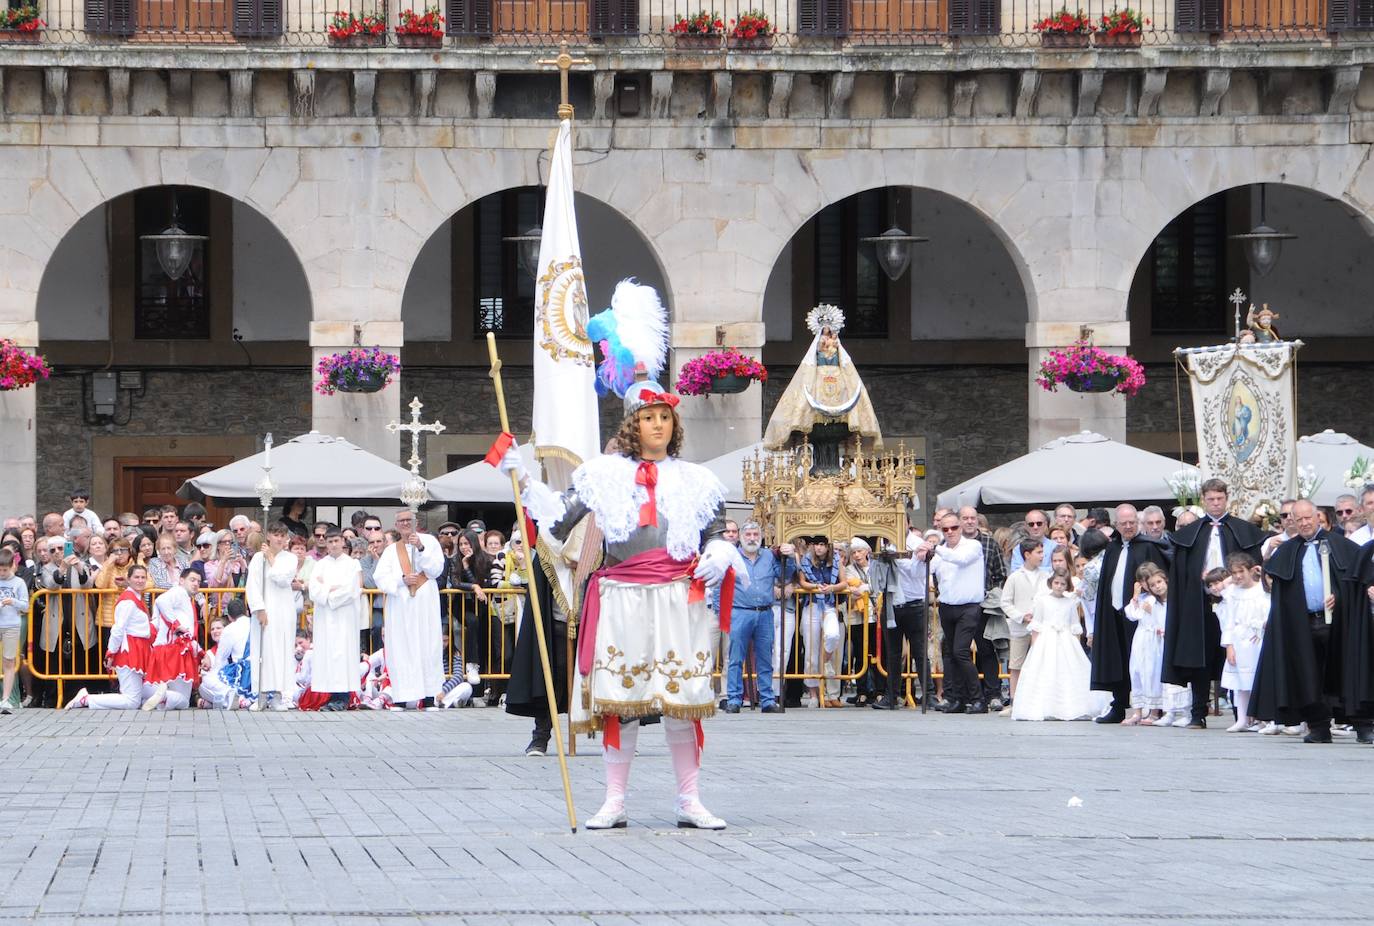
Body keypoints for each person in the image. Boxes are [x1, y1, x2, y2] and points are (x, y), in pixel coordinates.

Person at [503, 372, 741, 831]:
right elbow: (557, 521)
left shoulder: (697, 479)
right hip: (622, 595)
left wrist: (719, 553)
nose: (658, 425)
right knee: (621, 700)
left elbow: (716, 533)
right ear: (633, 423)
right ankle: (614, 800)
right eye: (648, 417)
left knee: (683, 698)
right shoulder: (601, 474)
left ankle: (689, 799)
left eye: (665, 417)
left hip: (678, 595)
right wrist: (524, 480)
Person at [1251, 499, 1374, 744]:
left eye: (1309, 518)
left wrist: (1340, 597)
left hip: (1339, 623)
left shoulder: (1342, 545)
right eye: (1299, 519)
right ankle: (1318, 727)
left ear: (1318, 517)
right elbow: (1271, 584)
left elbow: (1357, 581)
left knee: (1348, 669)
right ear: (1293, 522)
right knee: (1308, 675)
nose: (1305, 523)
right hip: (1304, 623)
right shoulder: (1287, 550)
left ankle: (1362, 725)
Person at [1163, 478, 1266, 729]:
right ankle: (1198, 713)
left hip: (1237, 600)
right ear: (1203, 500)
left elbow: (1253, 565)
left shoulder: (1241, 529)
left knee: (1240, 654)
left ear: (1226, 498)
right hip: (1200, 602)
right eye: (1211, 499)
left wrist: (1231, 581)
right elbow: (1183, 570)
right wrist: (1199, 576)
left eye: (1220, 498)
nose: (1216, 503)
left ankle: (1246, 714)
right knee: (1201, 655)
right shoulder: (1193, 533)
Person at [1090, 504, 1169, 724]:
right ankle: (1118, 705)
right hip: (1114, 611)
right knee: (1117, 659)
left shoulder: (1148, 546)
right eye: (1123, 523)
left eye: (1132, 522)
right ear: (1116, 524)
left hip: (1141, 615)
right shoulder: (1113, 548)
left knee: (1144, 662)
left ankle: (1153, 707)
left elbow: (1157, 579)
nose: (1128, 527)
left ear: (1138, 522)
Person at [373, 510, 445, 710]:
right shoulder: (390, 550)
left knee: (428, 645)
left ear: (416, 522)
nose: (405, 524)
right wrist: (401, 580)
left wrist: (420, 548)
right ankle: (402, 697)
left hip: (425, 603)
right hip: (401, 605)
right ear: (396, 525)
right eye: (401, 521)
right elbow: (381, 578)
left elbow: (436, 569)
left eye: (408, 520)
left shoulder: (429, 541)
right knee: (402, 648)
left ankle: (430, 697)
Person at [64, 564, 153, 711]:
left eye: (143, 577)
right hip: (130, 650)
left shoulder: (136, 598)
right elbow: (118, 629)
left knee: (137, 696)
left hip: (137, 648)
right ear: (128, 579)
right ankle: (87, 698)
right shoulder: (128, 601)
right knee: (131, 701)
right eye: (136, 577)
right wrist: (111, 652)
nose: (140, 580)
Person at [925, 511, 986, 714]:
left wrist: (937, 550)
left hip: (968, 606)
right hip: (947, 606)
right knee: (950, 654)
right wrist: (920, 554)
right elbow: (926, 568)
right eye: (945, 529)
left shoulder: (973, 546)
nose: (950, 532)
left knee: (961, 652)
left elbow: (961, 560)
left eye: (954, 528)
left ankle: (978, 698)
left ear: (960, 527)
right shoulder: (941, 551)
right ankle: (957, 698)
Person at [1012, 569, 1093, 721]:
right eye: (1056, 583)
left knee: (1067, 671)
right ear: (1051, 583)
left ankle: (1071, 708)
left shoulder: (1070, 602)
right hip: (1046, 640)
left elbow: (1075, 625)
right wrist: (1035, 646)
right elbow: (1037, 624)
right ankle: (1046, 706)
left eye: (1063, 584)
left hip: (1066, 640)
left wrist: (1075, 646)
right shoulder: (1042, 601)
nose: (1059, 586)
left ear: (1067, 585)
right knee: (1046, 671)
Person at [721, 521, 780, 714]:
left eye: (756, 534)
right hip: (740, 611)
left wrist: (787, 556)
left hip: (764, 612)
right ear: (741, 536)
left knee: (765, 657)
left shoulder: (769, 556)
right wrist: (719, 609)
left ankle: (767, 699)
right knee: (736, 657)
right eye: (748, 535)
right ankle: (734, 698)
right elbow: (719, 581)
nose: (752, 538)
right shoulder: (731, 556)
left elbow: (784, 575)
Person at [307, 527, 363, 711]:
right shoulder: (320, 564)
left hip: (344, 616)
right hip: (325, 617)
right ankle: (331, 694)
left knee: (343, 653)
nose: (333, 544)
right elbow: (314, 589)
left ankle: (343, 696)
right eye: (329, 541)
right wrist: (330, 590)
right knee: (327, 654)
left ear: (342, 542)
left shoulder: (352, 564)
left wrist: (328, 591)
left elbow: (351, 589)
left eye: (336, 541)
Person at [245, 523, 298, 712]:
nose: (279, 539)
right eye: (276, 535)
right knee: (263, 651)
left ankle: (277, 695)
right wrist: (259, 608)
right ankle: (259, 695)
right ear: (269, 536)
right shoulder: (258, 558)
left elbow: (283, 579)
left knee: (281, 651)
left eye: (283, 535)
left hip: (283, 611)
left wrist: (271, 558)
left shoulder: (290, 558)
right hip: (265, 610)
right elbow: (253, 584)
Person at [1217, 552, 1270, 733]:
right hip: (1239, 640)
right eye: (1234, 572)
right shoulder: (1232, 593)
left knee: (1258, 680)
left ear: (1250, 570)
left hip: (1257, 639)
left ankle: (1262, 719)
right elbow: (1228, 622)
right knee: (1240, 683)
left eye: (1242, 571)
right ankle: (1242, 718)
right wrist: (1229, 646)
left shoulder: (1261, 590)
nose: (1238, 576)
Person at [142, 568, 203, 712]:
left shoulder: (182, 597)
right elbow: (161, 601)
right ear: (182, 580)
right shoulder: (179, 592)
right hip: (176, 650)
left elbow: (157, 619)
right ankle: (164, 696)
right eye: (192, 580)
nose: (196, 584)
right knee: (183, 700)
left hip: (166, 648)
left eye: (199, 582)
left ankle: (160, 697)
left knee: (173, 695)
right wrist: (175, 624)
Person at [797, 537, 845, 708]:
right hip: (812, 604)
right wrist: (814, 587)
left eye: (822, 544)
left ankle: (826, 658)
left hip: (829, 604)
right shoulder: (806, 561)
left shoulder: (837, 560)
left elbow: (844, 582)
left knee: (833, 634)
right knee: (810, 650)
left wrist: (831, 588)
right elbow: (802, 582)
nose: (819, 548)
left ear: (827, 546)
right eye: (816, 544)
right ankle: (813, 693)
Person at [999, 538, 1045, 715]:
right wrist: (1020, 616)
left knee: (1038, 663)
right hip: (1019, 628)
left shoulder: (1045, 576)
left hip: (1038, 627)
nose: (1042, 556)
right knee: (1016, 664)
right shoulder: (1015, 577)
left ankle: (1036, 699)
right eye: (1038, 552)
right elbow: (1005, 602)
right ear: (1027, 554)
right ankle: (1014, 701)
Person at [1123, 563, 1168, 726]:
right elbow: (1131, 614)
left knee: (1152, 672)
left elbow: (1159, 617)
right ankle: (1138, 711)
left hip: (1153, 638)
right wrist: (1135, 595)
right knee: (1136, 670)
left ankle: (1154, 711)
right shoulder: (1142, 598)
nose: (1145, 585)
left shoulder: (1158, 599)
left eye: (1147, 581)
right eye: (1141, 581)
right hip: (1141, 637)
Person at [198, 598, 252, 710]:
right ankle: (239, 700)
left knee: (205, 683)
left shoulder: (229, 629)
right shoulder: (257, 624)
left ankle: (232, 697)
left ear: (229, 617)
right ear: (246, 611)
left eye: (218, 628)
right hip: (262, 672)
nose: (215, 631)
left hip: (242, 674)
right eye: (213, 629)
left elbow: (220, 660)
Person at [0, 552, 28, 713]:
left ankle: (6, 698)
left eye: (4, 570)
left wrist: (13, 602)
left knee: (8, 661)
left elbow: (25, 606)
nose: (2, 573)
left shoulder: (19, 583)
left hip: (11, 624)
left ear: (12, 566)